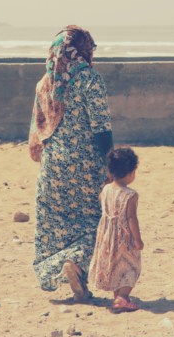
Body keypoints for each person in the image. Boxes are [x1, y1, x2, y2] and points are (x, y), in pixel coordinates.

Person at [28, 25, 113, 301]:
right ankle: (74, 263)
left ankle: (67, 268)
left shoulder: (45, 84)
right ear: (83, 50)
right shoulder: (90, 80)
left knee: (54, 224)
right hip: (86, 165)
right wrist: (110, 164)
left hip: (53, 167)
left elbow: (37, 129)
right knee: (95, 221)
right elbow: (101, 128)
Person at [88, 147, 143, 312]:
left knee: (113, 266)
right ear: (131, 173)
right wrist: (138, 239)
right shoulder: (130, 195)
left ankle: (117, 297)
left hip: (106, 236)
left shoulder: (105, 189)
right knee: (131, 267)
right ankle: (123, 297)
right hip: (124, 237)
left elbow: (102, 202)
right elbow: (131, 218)